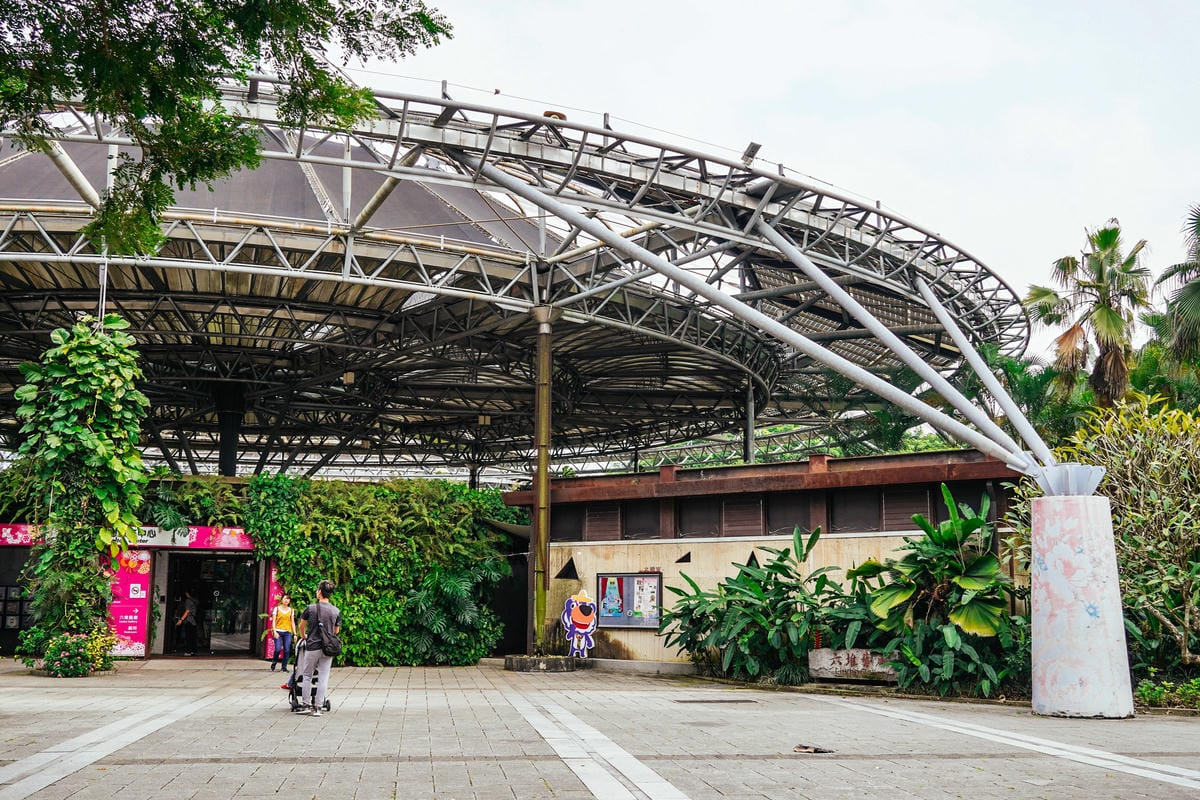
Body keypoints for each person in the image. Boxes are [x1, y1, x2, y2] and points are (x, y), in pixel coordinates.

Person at [295, 579, 342, 717]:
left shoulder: (311, 608)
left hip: (312, 646)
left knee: (307, 675)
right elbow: (336, 631)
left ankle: (306, 704)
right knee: (323, 677)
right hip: (328, 648)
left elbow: (301, 626)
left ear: (320, 592)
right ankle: (318, 708)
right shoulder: (336, 611)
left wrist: (304, 636)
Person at [268, 593, 296, 672]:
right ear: (282, 600)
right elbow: (273, 621)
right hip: (278, 631)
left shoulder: (291, 610)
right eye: (285, 599)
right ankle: (274, 662)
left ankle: (284, 667)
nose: (286, 600)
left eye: (288, 599)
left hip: (287, 632)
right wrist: (274, 631)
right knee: (277, 649)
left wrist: (295, 633)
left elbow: (292, 622)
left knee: (287, 650)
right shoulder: (276, 609)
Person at [175, 589, 198, 655]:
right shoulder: (195, 601)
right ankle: (193, 651)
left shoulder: (188, 601)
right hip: (193, 621)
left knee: (188, 637)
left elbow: (187, 611)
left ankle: (188, 651)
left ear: (187, 594)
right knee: (192, 637)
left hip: (188, 620)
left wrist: (181, 619)